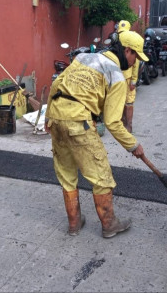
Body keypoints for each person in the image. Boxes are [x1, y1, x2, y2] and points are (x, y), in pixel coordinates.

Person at [45, 31, 147, 239]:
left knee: (66, 173)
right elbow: (112, 122)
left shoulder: (83, 57)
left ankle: (74, 224)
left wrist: (48, 116)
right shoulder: (117, 76)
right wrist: (133, 145)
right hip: (78, 121)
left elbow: (57, 83)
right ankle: (109, 224)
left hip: (57, 116)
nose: (135, 61)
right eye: (135, 56)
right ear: (127, 50)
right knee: (101, 176)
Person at [117, 20, 139, 132]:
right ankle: (125, 125)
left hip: (122, 77)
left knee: (123, 102)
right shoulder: (127, 40)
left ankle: (126, 125)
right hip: (123, 77)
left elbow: (135, 62)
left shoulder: (117, 40)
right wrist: (134, 80)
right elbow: (136, 62)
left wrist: (134, 80)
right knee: (125, 101)